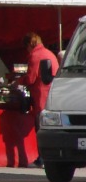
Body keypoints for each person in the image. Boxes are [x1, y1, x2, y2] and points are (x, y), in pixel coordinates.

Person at [22, 32, 59, 167]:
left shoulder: (35, 56)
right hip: (52, 97)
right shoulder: (50, 54)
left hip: (41, 98)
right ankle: (51, 157)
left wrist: (17, 81)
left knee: (40, 129)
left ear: (29, 45)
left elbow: (30, 79)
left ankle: (42, 159)